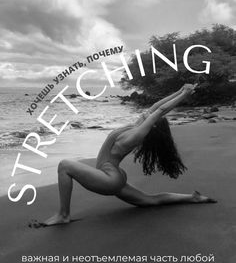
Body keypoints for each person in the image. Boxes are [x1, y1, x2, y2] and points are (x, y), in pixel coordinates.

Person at [30, 83, 217, 228]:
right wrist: (179, 91)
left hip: (109, 179)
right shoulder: (137, 126)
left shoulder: (137, 134)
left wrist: (184, 95)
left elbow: (159, 111)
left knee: (64, 165)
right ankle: (193, 197)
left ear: (151, 125)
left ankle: (63, 215)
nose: (147, 113)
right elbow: (157, 108)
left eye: (151, 117)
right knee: (149, 200)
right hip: (113, 175)